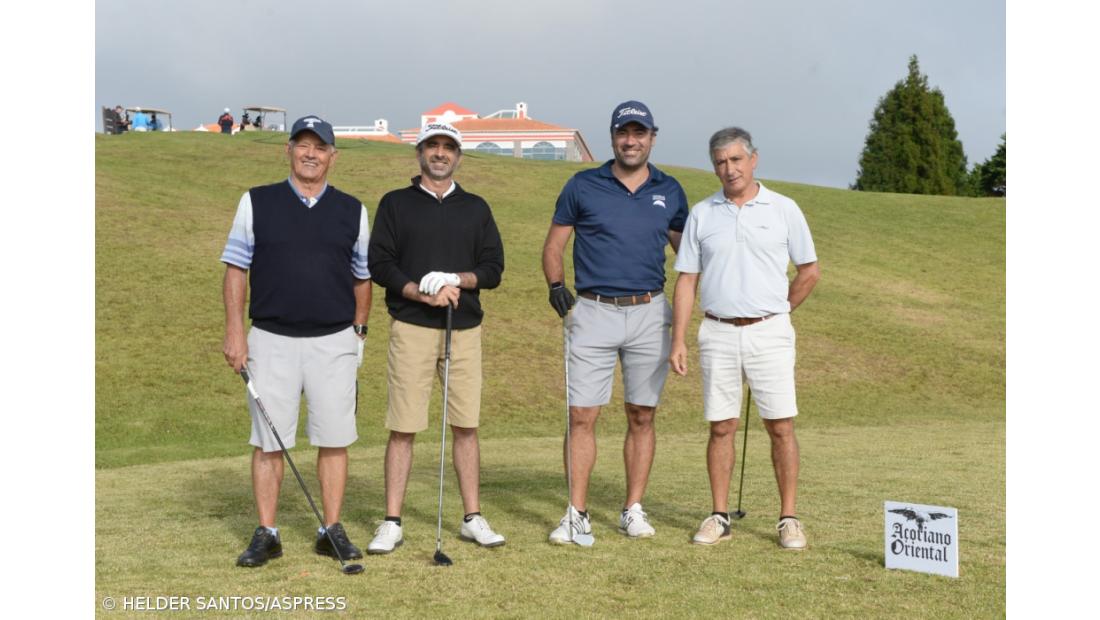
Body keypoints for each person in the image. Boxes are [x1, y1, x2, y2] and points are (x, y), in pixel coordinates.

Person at [221, 115, 372, 568]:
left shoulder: (353, 210)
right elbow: (236, 269)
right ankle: (267, 532)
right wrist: (234, 332)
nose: (311, 154)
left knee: (335, 438)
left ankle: (331, 529)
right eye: (303, 145)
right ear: (287, 150)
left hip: (333, 340)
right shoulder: (256, 201)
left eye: (320, 147)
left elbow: (362, 278)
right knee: (268, 441)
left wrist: (359, 331)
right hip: (271, 339)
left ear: (332, 156)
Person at [542, 101, 688, 544]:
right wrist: (555, 285)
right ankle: (576, 513)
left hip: (649, 311)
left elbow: (689, 255)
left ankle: (633, 509)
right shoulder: (582, 185)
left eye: (639, 133)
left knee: (642, 414)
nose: (631, 141)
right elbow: (554, 245)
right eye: (623, 133)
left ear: (652, 138)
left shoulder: (670, 190)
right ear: (612, 137)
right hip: (593, 311)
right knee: (581, 415)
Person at [669, 127, 820, 549]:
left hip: (770, 331)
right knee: (721, 426)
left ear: (753, 160)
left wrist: (780, 309)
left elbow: (809, 271)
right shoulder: (702, 213)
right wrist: (678, 339)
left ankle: (789, 518)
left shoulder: (784, 208)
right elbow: (687, 280)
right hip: (717, 331)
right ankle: (718, 516)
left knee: (781, 425)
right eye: (720, 162)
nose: (729, 168)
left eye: (736, 159)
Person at [366, 122, 506, 554]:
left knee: (466, 425)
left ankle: (472, 517)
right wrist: (420, 291)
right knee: (403, 426)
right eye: (432, 146)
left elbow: (493, 269)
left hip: (464, 329)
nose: (440, 153)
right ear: (420, 153)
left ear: (458, 156)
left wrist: (456, 279)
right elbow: (380, 264)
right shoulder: (395, 203)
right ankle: (392, 522)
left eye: (448, 147)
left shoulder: (476, 208)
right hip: (412, 327)